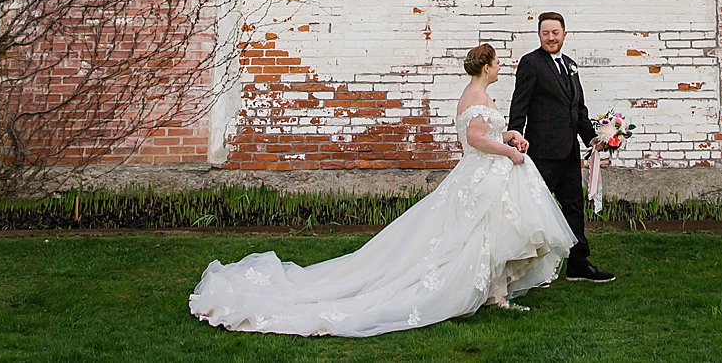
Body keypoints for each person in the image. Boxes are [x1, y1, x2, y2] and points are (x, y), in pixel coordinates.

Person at [188, 43, 575, 336]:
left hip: (488, 174)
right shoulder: (474, 96)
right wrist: (508, 150)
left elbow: (487, 131)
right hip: (480, 174)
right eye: (496, 64)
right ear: (486, 67)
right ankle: (477, 290)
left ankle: (496, 291)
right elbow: (475, 139)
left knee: (491, 232)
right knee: (473, 234)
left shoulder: (481, 96)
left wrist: (507, 135)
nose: (499, 69)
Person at [505, 11, 616, 283]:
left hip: (568, 152)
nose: (551, 38)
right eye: (545, 33)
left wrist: (591, 137)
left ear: (565, 34)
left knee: (573, 207)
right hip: (541, 151)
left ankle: (578, 263)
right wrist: (515, 137)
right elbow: (519, 104)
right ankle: (518, 267)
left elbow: (577, 109)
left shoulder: (570, 65)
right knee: (532, 208)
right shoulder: (531, 64)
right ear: (539, 35)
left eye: (555, 33)